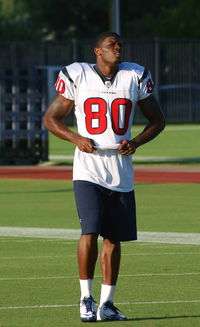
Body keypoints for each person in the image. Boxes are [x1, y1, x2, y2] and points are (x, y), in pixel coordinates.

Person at [44, 31, 165, 322]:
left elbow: (158, 120)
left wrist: (135, 142)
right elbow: (50, 118)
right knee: (90, 230)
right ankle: (86, 298)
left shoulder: (134, 76)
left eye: (120, 44)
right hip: (88, 165)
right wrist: (76, 139)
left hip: (120, 167)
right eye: (112, 45)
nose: (118, 49)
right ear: (97, 50)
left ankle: (108, 304)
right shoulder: (79, 75)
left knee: (114, 237)